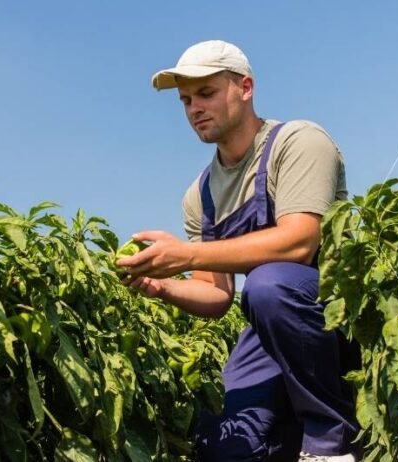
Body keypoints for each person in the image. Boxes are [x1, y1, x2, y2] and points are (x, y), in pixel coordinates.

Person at [116, 40, 360, 461]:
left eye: (206, 93)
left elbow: (300, 242)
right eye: (186, 100)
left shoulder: (297, 141)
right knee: (226, 440)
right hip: (273, 323)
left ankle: (330, 442)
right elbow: (216, 296)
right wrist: (163, 286)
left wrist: (187, 256)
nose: (194, 109)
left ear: (245, 88)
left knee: (268, 284)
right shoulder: (201, 194)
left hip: (341, 309)